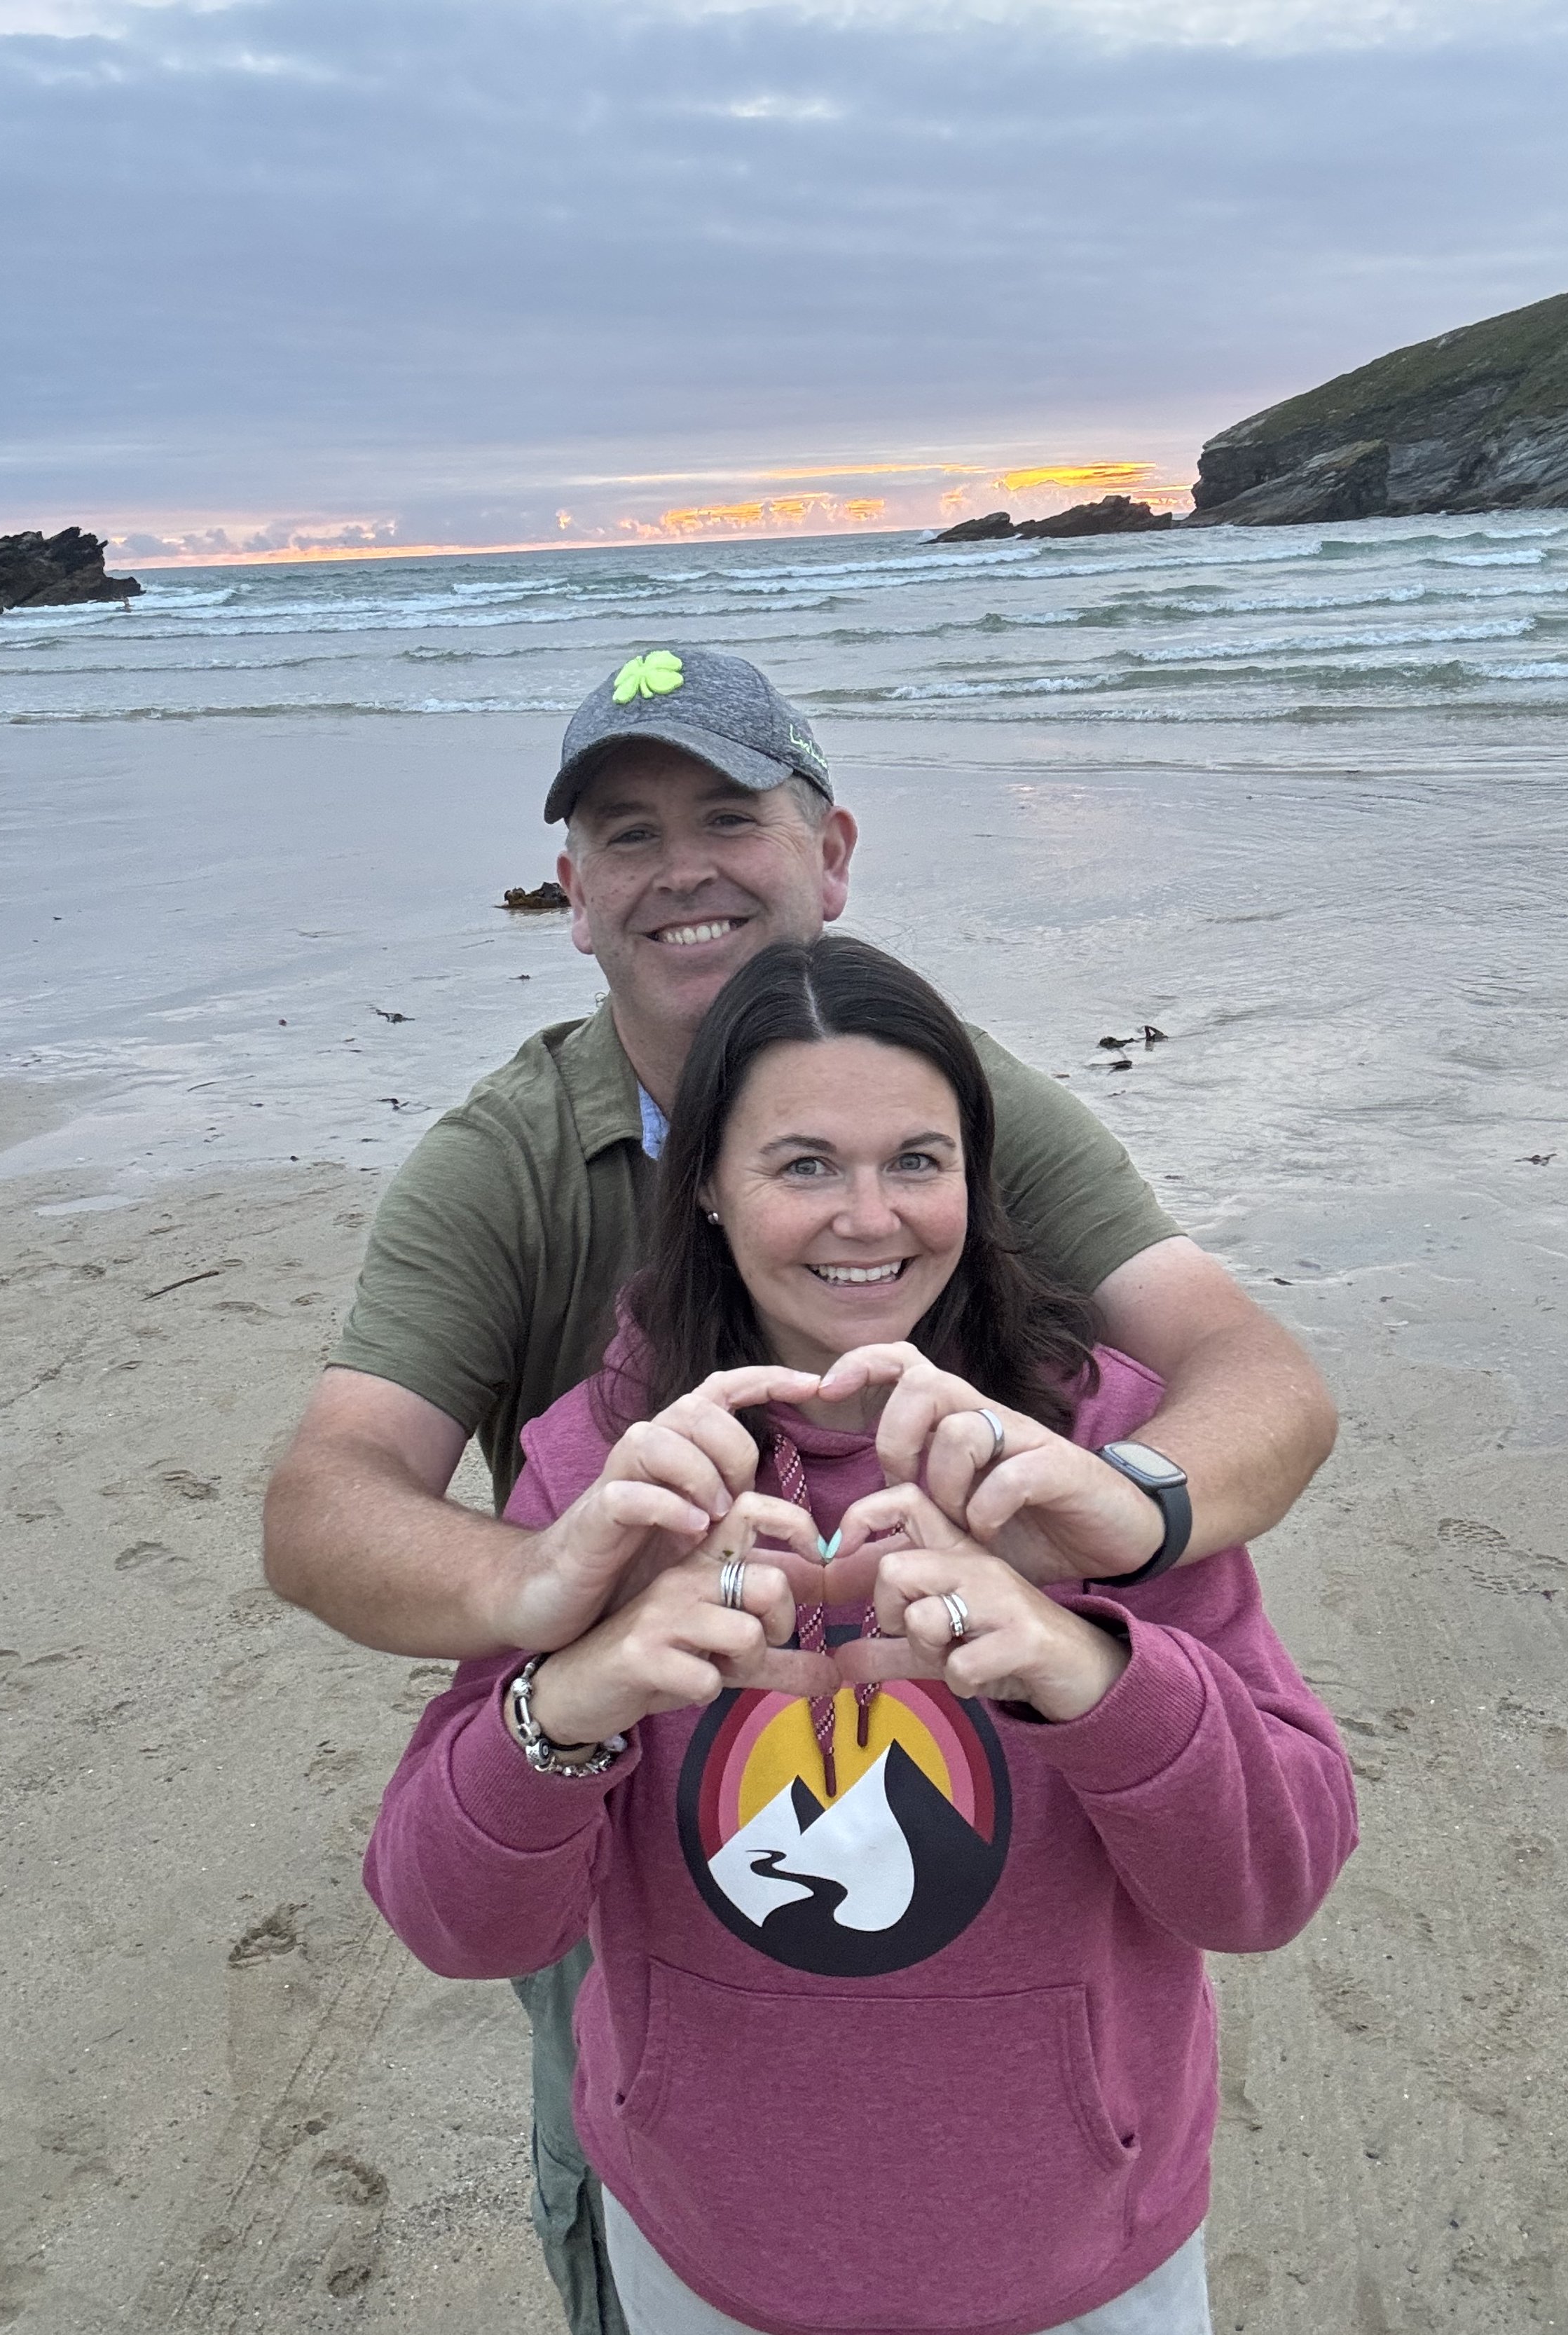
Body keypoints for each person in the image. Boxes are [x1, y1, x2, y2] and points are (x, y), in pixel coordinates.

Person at [263, 647, 1337, 2331]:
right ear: (572, 890)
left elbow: (1255, 1383)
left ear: (828, 853)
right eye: (628, 831)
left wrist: (1105, 1574)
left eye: (727, 815)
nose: (863, 1212)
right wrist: (556, 1619)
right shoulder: (524, 1244)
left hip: (1067, 2209)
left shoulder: (954, 1105)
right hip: (646, 1904)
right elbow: (330, 1509)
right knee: (613, 2111)